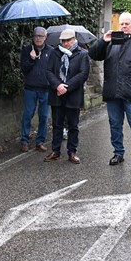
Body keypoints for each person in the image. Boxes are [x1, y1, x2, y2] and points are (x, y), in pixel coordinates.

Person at [88, 12, 131, 170]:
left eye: (127, 24)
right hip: (112, 92)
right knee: (114, 124)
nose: (124, 26)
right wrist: (103, 41)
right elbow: (94, 54)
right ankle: (118, 153)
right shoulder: (110, 42)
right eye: (121, 24)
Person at [44, 28, 89, 164]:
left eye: (67, 41)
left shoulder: (83, 54)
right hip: (56, 93)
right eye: (62, 41)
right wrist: (58, 85)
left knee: (73, 125)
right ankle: (56, 151)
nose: (64, 44)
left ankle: (72, 152)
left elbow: (83, 74)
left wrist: (67, 87)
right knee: (57, 124)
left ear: (74, 39)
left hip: (73, 95)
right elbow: (48, 71)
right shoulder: (54, 53)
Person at [19, 27, 53, 152]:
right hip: (30, 89)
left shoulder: (51, 51)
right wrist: (31, 59)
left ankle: (40, 141)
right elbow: (24, 68)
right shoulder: (27, 50)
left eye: (41, 36)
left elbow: (53, 70)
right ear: (33, 37)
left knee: (44, 116)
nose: (38, 38)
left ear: (46, 37)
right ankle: (24, 140)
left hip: (46, 89)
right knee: (28, 115)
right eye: (36, 36)